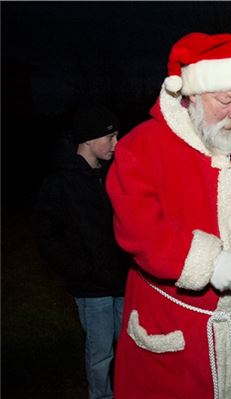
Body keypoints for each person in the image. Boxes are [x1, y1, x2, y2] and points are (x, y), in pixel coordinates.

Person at [105, 32, 231, 398]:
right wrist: (208, 262)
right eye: (226, 100)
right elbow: (138, 228)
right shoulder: (142, 148)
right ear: (191, 96)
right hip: (174, 337)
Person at [34, 104, 130, 399]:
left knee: (127, 349)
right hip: (91, 288)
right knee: (100, 354)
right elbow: (47, 236)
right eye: (110, 137)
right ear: (88, 138)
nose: (116, 144)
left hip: (122, 282)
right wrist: (79, 269)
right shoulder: (60, 183)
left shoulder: (113, 175)